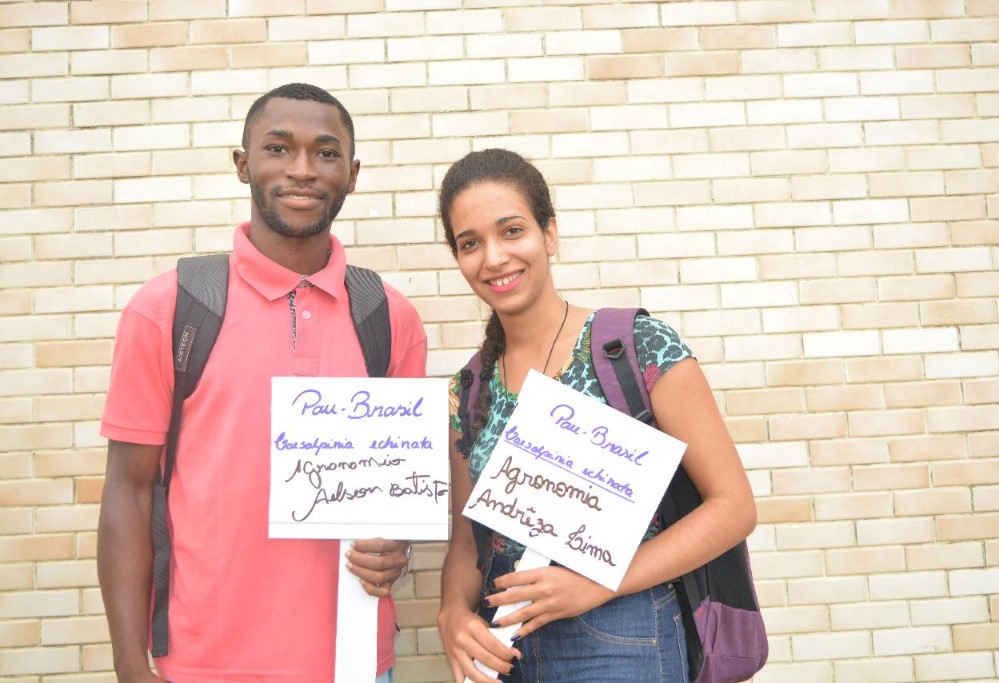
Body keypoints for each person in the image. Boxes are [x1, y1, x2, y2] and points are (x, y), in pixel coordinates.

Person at [97, 83, 427, 683]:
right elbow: (128, 488)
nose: (302, 169)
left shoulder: (388, 316)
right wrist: (128, 665)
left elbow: (396, 488)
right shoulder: (170, 308)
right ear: (243, 164)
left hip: (353, 660)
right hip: (203, 663)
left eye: (326, 153)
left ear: (352, 175)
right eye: (278, 148)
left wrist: (395, 547)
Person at [436, 148, 757, 682]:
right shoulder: (467, 391)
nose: (493, 257)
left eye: (512, 231)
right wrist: (451, 613)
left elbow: (734, 507)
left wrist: (598, 581)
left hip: (623, 634)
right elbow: (469, 540)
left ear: (550, 234)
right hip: (507, 643)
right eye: (470, 243)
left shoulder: (637, 347)